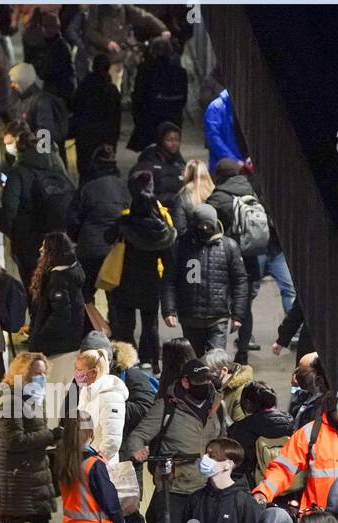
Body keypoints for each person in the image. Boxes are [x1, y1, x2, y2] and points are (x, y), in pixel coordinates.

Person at [121, 358, 226, 523]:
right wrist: (137, 451)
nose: (205, 385)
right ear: (186, 383)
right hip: (175, 489)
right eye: (199, 381)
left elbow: (223, 442)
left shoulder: (216, 406)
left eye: (207, 380)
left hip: (205, 489)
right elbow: (138, 436)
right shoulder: (167, 407)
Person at [0, 353, 65, 523]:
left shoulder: (31, 399)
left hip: (33, 477)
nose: (42, 378)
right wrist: (52, 435)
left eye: (44, 373)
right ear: (22, 372)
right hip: (19, 480)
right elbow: (14, 441)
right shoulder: (9, 399)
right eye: (37, 372)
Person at [105, 170, 176, 367]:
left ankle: (129, 358)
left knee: (126, 324)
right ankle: (150, 359)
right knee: (150, 323)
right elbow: (169, 258)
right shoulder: (162, 228)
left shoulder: (124, 222)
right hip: (151, 280)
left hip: (125, 279)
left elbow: (107, 237)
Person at [161, 204, 249, 357]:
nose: (204, 229)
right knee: (194, 363)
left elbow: (240, 282)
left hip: (217, 316)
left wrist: (238, 314)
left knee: (215, 362)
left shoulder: (228, 247)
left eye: (208, 225)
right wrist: (169, 310)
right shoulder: (181, 246)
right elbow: (169, 280)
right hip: (190, 316)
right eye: (200, 225)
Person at [207, 158, 266, 362]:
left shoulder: (218, 198)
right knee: (245, 306)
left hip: (226, 259)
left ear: (219, 176)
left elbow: (208, 225)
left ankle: (217, 354)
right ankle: (243, 351)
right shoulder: (251, 190)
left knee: (220, 305)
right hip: (250, 259)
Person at [252, 393, 338, 511]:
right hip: (316, 520)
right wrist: (263, 492)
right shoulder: (310, 433)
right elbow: (283, 469)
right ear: (331, 409)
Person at [27, 233, 88, 425]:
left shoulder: (58, 278)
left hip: (57, 349)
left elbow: (61, 315)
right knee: (57, 396)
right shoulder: (71, 272)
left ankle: (48, 443)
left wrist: (40, 339)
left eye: (44, 247)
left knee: (51, 399)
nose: (40, 250)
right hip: (69, 346)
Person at [0, 122, 68, 283]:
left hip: (28, 238)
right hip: (56, 233)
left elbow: (10, 207)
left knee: (33, 284)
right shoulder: (55, 162)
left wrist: (13, 235)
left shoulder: (18, 172)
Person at [111, 340, 157, 523]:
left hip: (127, 457)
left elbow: (147, 407)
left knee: (129, 511)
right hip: (104, 456)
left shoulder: (132, 376)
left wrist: (111, 406)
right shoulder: (83, 378)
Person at [67, 144, 130, 303]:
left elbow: (73, 220)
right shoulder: (125, 188)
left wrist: (78, 239)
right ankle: (117, 327)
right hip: (115, 251)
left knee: (84, 297)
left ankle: (89, 326)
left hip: (89, 249)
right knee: (116, 299)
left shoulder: (86, 188)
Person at [80, 4, 169, 95]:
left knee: (113, 93)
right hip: (100, 60)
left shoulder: (125, 7)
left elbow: (144, 16)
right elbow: (89, 32)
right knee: (98, 93)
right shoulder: (97, 8)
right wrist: (106, 43)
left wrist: (162, 28)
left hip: (116, 59)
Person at [228, 381, 293, 488]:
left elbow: (237, 465)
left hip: (255, 487)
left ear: (248, 403)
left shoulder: (241, 428)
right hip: (286, 483)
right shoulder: (291, 422)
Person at [127, 37, 187, 152]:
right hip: (173, 117)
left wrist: (137, 116)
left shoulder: (145, 70)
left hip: (149, 118)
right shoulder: (180, 72)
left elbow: (138, 96)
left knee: (149, 151)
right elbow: (183, 98)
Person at [75, 345, 129, 469]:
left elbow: (112, 440)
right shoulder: (85, 392)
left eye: (80, 370)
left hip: (101, 465)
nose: (76, 374)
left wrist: (96, 463)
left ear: (93, 372)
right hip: (86, 460)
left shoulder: (111, 397)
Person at [70, 55, 123, 181]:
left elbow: (75, 107)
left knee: (85, 170)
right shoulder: (111, 90)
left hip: (86, 136)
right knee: (105, 170)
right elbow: (116, 118)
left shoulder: (84, 88)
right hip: (106, 136)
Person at [9, 62, 69, 154]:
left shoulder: (42, 102)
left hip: (43, 159)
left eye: (15, 82)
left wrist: (23, 139)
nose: (12, 85)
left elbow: (45, 132)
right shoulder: (23, 100)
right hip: (32, 155)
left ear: (24, 81)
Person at [22, 10, 76, 106]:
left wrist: (36, 65)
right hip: (57, 92)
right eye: (45, 26)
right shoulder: (51, 45)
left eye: (49, 27)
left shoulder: (59, 47)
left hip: (59, 94)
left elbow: (46, 72)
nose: (46, 30)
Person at [130, 121, 186, 208]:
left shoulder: (180, 162)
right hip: (155, 209)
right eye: (169, 140)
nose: (174, 144)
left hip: (177, 208)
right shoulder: (148, 161)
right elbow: (140, 192)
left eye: (177, 140)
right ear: (161, 140)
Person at [201, 347, 253, 423]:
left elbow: (241, 428)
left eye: (210, 372)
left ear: (224, 370)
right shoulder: (214, 386)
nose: (205, 378)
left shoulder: (242, 392)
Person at [204, 88, 246, 173]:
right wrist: (234, 161)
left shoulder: (243, 106)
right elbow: (214, 139)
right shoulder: (216, 107)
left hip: (244, 164)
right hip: (224, 168)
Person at [170, 158, 214, 235]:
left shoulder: (181, 197)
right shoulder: (215, 194)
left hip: (191, 243)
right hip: (215, 241)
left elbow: (180, 229)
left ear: (186, 174)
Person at [288, 351, 327, 432]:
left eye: (303, 374)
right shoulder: (305, 395)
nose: (298, 377)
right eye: (298, 372)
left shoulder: (325, 404)